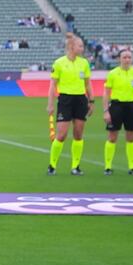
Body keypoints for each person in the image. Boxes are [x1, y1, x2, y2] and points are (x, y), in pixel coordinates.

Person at [47, 34, 94, 176]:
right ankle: (52, 165)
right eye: (80, 45)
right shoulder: (59, 63)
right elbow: (52, 85)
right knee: (61, 135)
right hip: (65, 100)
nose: (82, 48)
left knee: (78, 134)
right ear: (71, 47)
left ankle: (75, 166)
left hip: (80, 100)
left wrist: (91, 101)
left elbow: (88, 84)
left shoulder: (84, 63)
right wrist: (50, 104)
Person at [102, 49, 133, 175]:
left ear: (132, 59)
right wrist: (106, 111)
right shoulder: (112, 73)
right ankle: (107, 166)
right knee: (112, 137)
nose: (127, 60)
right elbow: (106, 93)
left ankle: (132, 167)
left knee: (131, 138)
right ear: (119, 59)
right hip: (116, 106)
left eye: (129, 57)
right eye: (124, 57)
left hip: (132, 107)